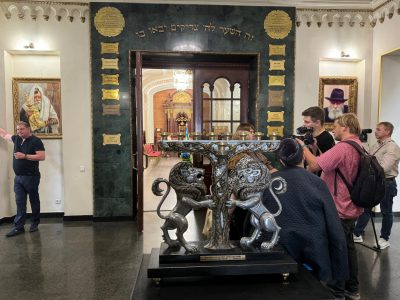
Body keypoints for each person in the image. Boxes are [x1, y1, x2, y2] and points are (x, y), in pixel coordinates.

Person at [262, 138, 348, 283]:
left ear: (281, 161)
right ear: (303, 157)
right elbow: (333, 224)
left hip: (278, 248)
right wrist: (340, 269)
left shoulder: (268, 182)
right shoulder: (317, 183)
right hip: (313, 250)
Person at [298, 113, 363, 300]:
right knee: (348, 248)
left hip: (339, 206)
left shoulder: (343, 147)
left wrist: (302, 147)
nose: (333, 129)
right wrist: (314, 148)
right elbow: (327, 162)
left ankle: (337, 290)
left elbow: (315, 165)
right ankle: (352, 288)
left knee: (337, 248)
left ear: (344, 127)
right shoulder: (357, 145)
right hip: (351, 206)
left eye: (335, 126)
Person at [353, 122, 400, 249]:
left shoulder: (392, 147)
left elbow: (384, 167)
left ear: (387, 131)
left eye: (379, 129)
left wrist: (367, 166)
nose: (375, 131)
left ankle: (384, 238)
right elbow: (366, 156)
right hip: (374, 182)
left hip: (387, 183)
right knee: (366, 208)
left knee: (386, 211)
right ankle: (357, 233)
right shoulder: (377, 145)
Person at [0, 121, 46, 237]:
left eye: (21, 129)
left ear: (28, 129)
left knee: (34, 200)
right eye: (17, 130)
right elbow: (4, 134)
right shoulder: (16, 139)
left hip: (31, 177)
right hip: (18, 178)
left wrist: (24, 156)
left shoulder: (36, 141)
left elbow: (41, 156)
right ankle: (18, 227)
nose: (19, 132)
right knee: (20, 202)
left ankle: (34, 223)